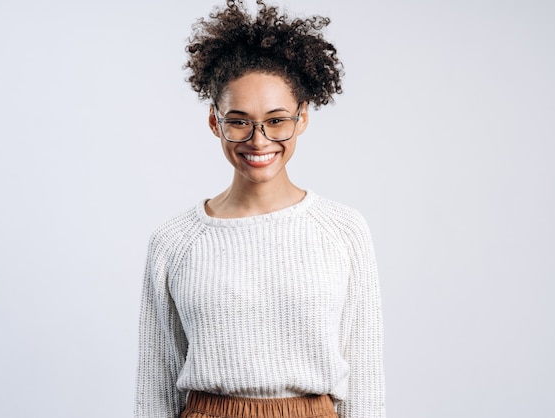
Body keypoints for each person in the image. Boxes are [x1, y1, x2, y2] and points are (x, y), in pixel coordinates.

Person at [134, 1, 385, 417]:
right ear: (215, 122)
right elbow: (155, 385)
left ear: (302, 117)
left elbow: (366, 379)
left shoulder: (343, 230)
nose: (259, 139)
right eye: (239, 121)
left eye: (277, 119)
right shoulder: (174, 242)